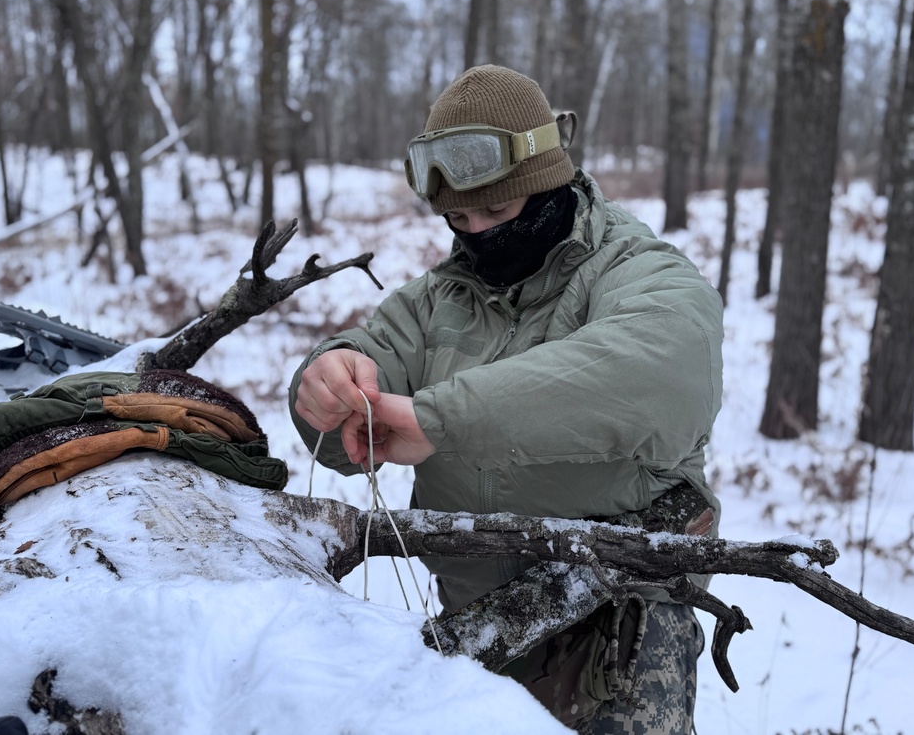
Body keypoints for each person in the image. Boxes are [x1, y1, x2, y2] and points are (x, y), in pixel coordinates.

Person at [290, 64, 724, 733]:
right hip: (473, 638)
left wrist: (440, 420)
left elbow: (661, 375)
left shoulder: (638, 269)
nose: (479, 232)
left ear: (550, 182)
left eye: (497, 209)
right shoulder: (435, 301)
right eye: (459, 217)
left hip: (615, 624)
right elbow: (349, 419)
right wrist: (326, 380)